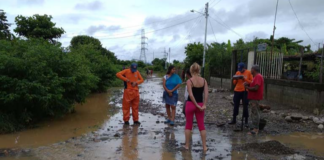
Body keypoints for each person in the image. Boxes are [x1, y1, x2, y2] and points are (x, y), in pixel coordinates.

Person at [184, 63, 208, 152]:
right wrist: (203, 104)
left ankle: (187, 145)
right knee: (201, 125)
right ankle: (204, 146)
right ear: (199, 70)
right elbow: (206, 94)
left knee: (188, 125)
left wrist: (195, 105)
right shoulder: (204, 81)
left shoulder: (189, 81)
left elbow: (190, 94)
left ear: (191, 70)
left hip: (190, 104)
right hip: (201, 104)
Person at [229, 62, 253, 126]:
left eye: (241, 69)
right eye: (239, 69)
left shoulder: (248, 72)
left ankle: (246, 121)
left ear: (244, 68)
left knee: (245, 105)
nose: (240, 71)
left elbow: (251, 82)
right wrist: (235, 79)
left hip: (245, 91)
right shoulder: (237, 72)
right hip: (237, 90)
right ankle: (234, 119)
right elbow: (234, 83)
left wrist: (244, 79)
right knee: (236, 105)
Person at [244, 65, 264, 135]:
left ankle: (255, 129)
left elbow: (256, 88)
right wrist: (249, 84)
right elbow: (253, 85)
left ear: (254, 70)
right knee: (253, 112)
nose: (250, 70)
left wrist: (247, 87)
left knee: (255, 112)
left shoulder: (258, 76)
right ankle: (254, 127)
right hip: (253, 97)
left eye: (251, 69)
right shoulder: (255, 77)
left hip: (255, 98)